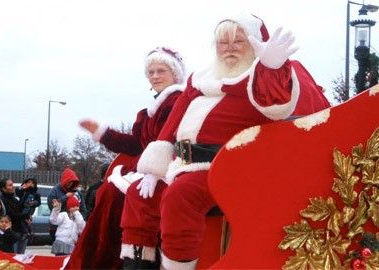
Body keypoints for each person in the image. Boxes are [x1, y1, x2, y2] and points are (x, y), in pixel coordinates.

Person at [119, 13, 331, 269]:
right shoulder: (200, 78)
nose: (229, 48)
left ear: (255, 44)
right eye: (223, 42)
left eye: (238, 41)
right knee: (138, 195)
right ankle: (139, 265)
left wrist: (272, 68)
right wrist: (154, 169)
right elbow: (173, 123)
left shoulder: (260, 76)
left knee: (180, 197)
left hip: (229, 169)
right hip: (183, 164)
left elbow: (275, 103)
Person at [65, 46, 186, 270]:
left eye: (161, 71)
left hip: (170, 168)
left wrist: (155, 171)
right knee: (108, 193)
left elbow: (173, 139)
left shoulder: (178, 101)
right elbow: (135, 144)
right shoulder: (147, 111)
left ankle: (130, 261)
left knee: (115, 195)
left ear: (175, 74)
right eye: (151, 72)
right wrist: (103, 133)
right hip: (147, 169)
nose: (155, 76)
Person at [47, 168, 87, 241]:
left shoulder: (77, 193)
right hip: (58, 226)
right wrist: (66, 197)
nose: (70, 184)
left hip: (74, 227)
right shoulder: (55, 190)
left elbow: (83, 209)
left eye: (72, 182)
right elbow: (51, 205)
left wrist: (79, 218)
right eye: (68, 182)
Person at [0, 178, 30, 254]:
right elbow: (12, 215)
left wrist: (26, 193)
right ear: (4, 188)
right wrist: (26, 215)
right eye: (10, 185)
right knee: (14, 257)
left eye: (12, 184)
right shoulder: (2, 200)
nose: (13, 187)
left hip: (22, 231)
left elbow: (21, 208)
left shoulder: (13, 199)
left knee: (21, 258)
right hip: (12, 232)